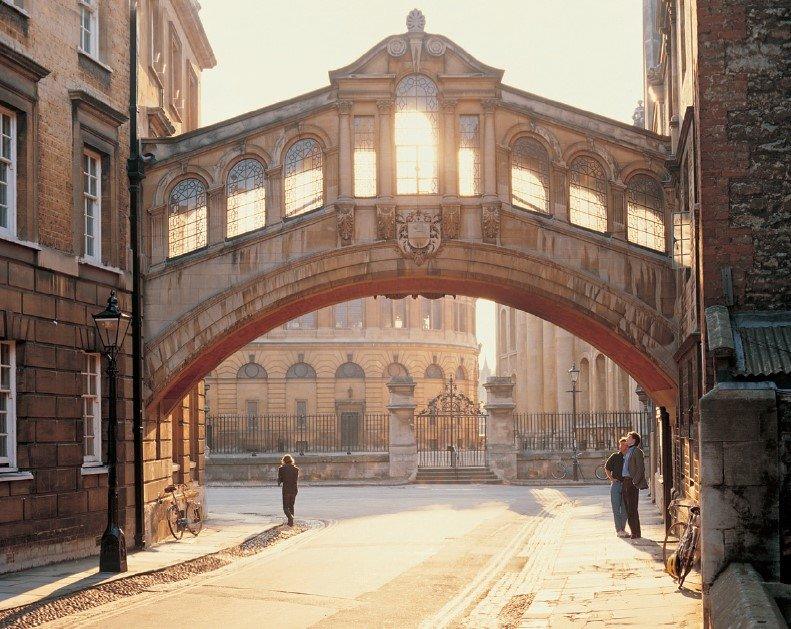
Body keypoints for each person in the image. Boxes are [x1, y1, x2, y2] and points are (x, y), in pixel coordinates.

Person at [621, 431, 648, 539]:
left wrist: (634, 481)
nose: (626, 439)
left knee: (632, 508)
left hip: (631, 482)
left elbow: (640, 469)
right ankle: (634, 532)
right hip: (625, 481)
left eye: (628, 437)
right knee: (628, 509)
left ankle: (636, 532)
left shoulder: (637, 452)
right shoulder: (628, 451)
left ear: (634, 440)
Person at [604, 437, 629, 537]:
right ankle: (618, 530)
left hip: (626, 485)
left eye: (624, 445)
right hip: (616, 485)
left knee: (625, 508)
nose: (622, 447)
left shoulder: (629, 457)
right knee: (616, 508)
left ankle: (623, 528)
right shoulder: (614, 456)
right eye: (621, 445)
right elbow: (607, 468)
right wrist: (611, 479)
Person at [277, 454, 299, 526]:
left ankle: (290, 518)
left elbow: (280, 481)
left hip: (286, 490)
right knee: (291, 506)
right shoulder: (296, 469)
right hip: (294, 489)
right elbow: (295, 479)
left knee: (285, 507)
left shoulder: (281, 469)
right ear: (291, 460)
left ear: (284, 461)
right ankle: (290, 523)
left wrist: (279, 480)